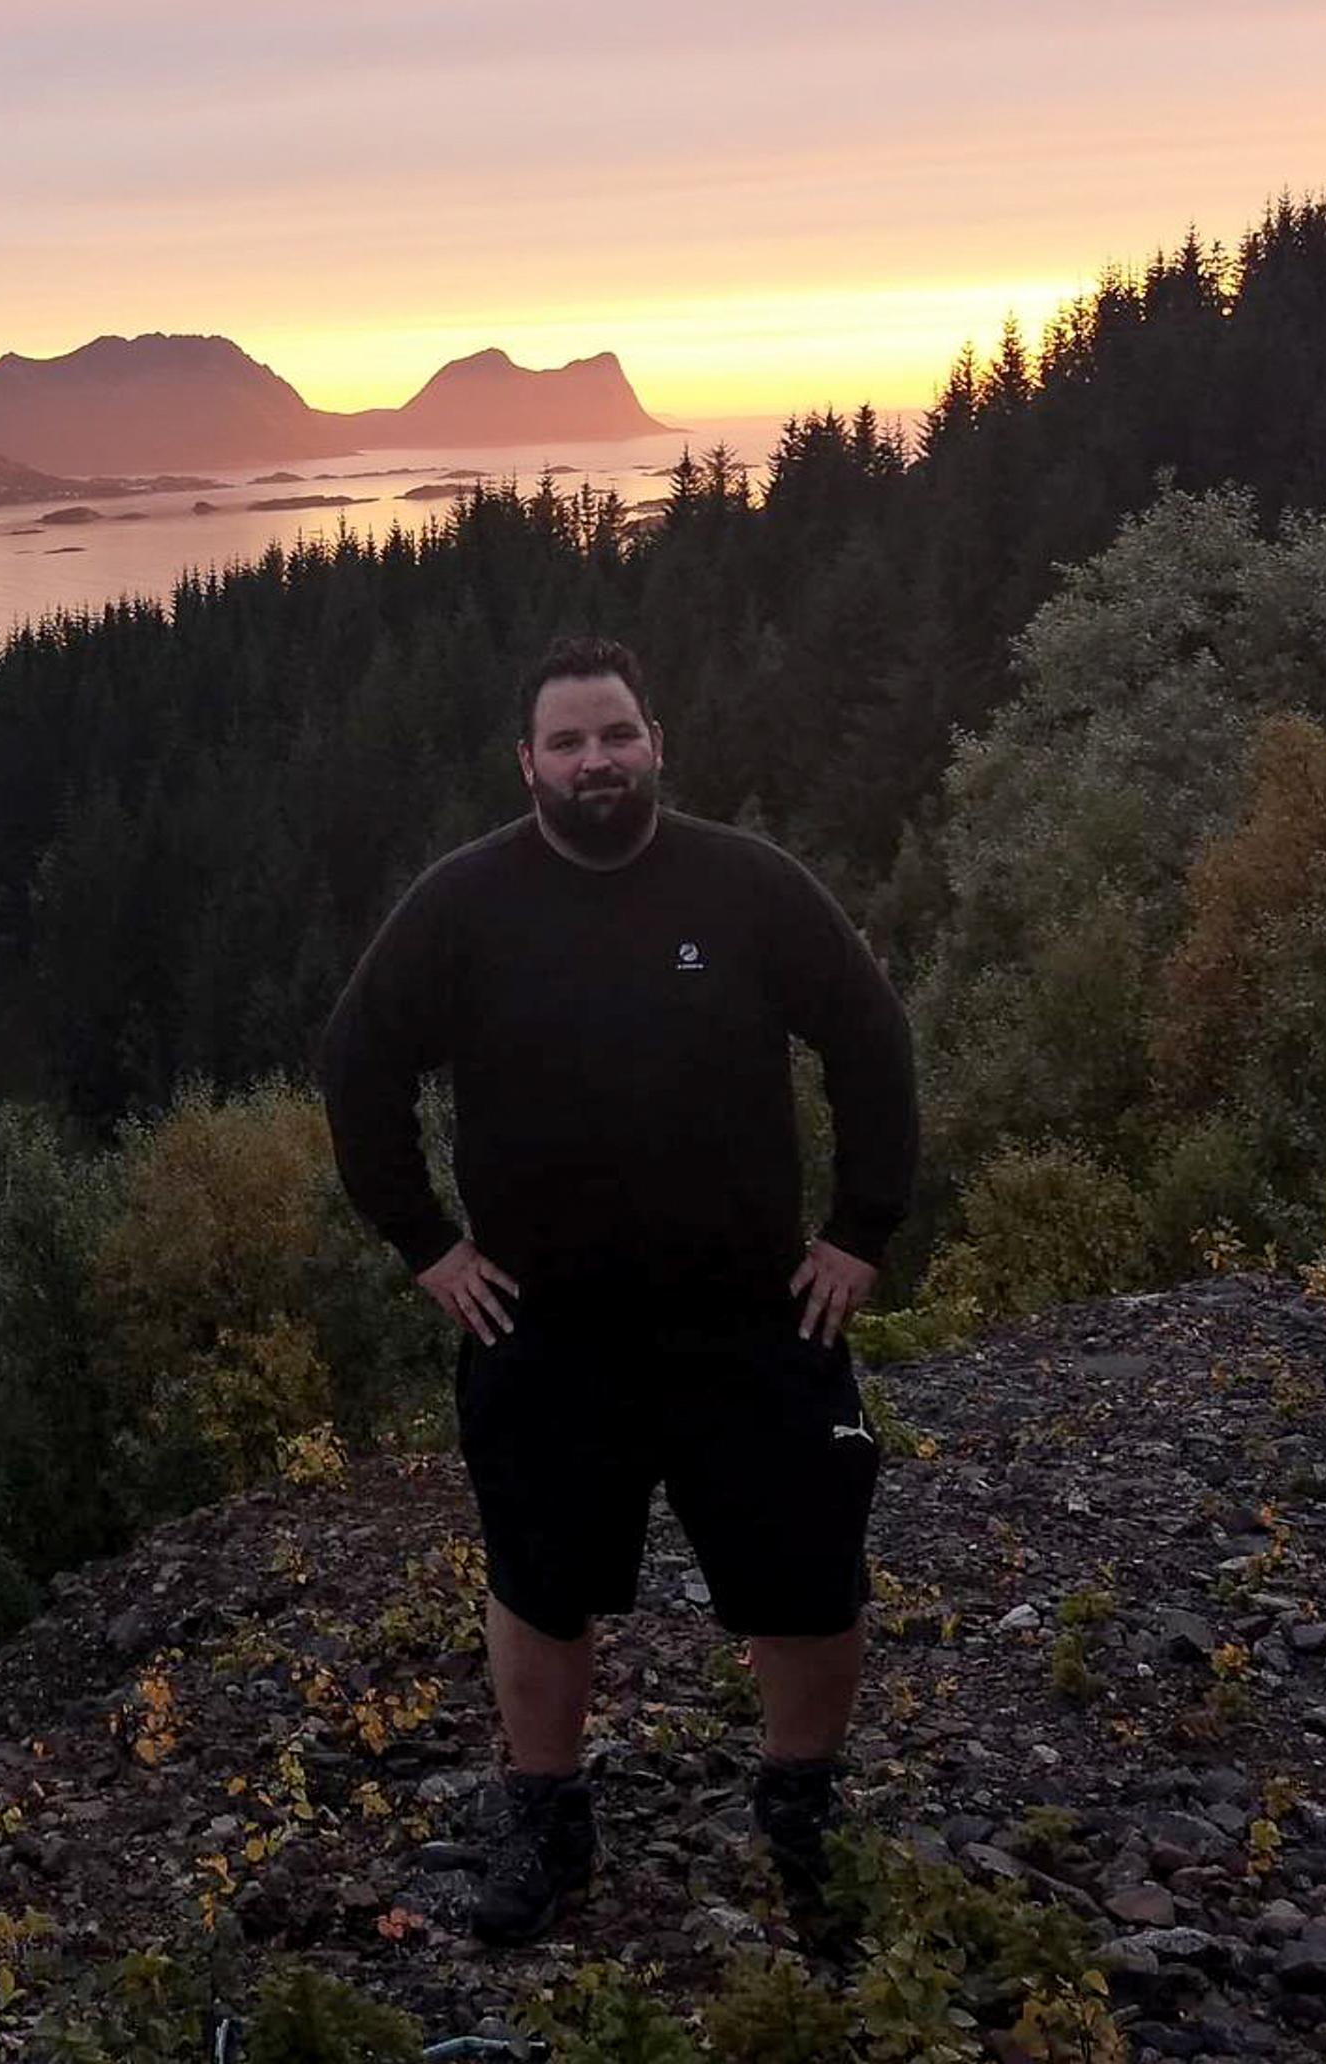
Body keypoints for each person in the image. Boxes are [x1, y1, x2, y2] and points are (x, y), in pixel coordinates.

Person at [317, 633, 916, 1948]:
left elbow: (870, 1039)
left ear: (659, 745)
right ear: (526, 762)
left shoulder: (747, 886)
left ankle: (803, 1808)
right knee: (541, 1582)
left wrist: (860, 1230)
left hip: (756, 1318)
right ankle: (544, 1817)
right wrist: (427, 1247)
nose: (599, 761)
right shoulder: (465, 905)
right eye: (571, 742)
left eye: (619, 735)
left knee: (809, 1573)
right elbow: (358, 1071)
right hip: (544, 1330)